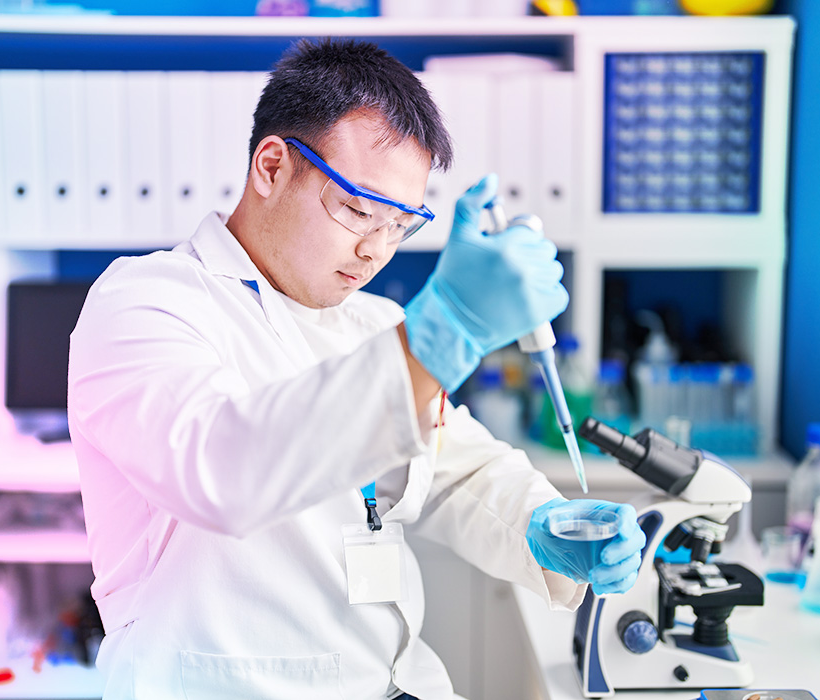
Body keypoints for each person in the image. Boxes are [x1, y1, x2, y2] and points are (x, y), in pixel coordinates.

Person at [67, 38, 645, 700]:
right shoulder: (145, 302)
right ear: (272, 165)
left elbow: (457, 469)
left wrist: (544, 525)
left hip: (398, 684)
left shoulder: (369, 321)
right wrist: (446, 328)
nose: (376, 249)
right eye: (359, 210)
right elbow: (221, 472)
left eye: (401, 223)